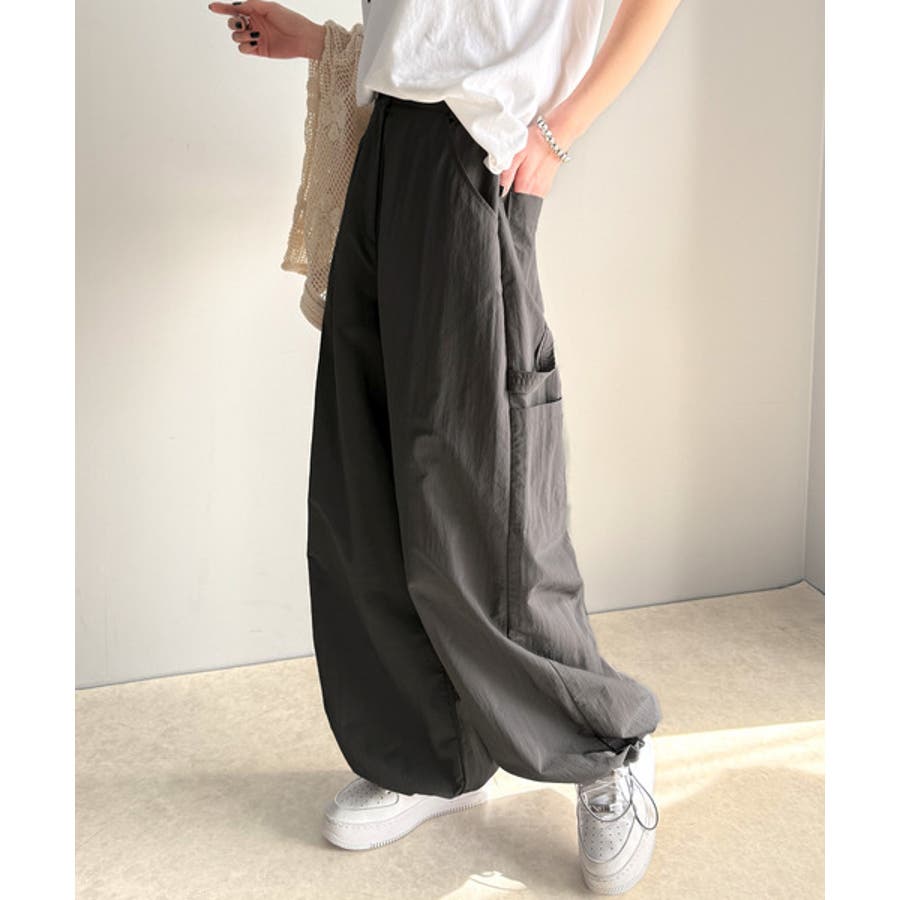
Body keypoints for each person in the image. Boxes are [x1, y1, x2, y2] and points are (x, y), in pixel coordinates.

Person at [209, 1, 683, 893]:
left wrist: (559, 131)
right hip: (389, 137)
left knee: (482, 487)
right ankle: (432, 755)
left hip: (480, 150)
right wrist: (322, 44)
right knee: (368, 477)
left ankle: (604, 744)